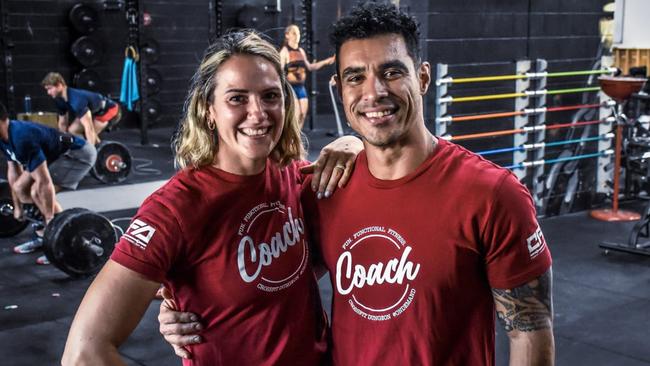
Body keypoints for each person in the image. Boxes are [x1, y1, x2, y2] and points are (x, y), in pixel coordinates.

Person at [159, 3, 555, 366]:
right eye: (355, 77)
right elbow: (277, 280)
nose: (373, 92)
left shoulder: (491, 194)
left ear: (422, 77)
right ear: (340, 88)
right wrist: (190, 310)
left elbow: (529, 328)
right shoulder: (328, 188)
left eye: (392, 71)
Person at [62, 30, 362, 365]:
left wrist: (353, 144)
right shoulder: (174, 209)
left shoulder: (292, 174)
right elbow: (84, 354)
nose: (259, 113)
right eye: (237, 98)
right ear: (208, 110)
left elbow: (289, 274)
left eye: (270, 96)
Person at [0, 102, 96, 264]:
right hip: (55, 155)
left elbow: (44, 182)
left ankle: (62, 243)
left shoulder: (21, 137)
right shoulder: (3, 138)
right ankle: (42, 235)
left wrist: (51, 219)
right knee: (19, 188)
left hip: (78, 154)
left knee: (36, 192)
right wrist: (17, 206)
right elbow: (13, 171)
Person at [279, 24, 335, 129]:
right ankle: (290, 140)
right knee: (295, 115)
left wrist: (327, 61)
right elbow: (279, 71)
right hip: (290, 88)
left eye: (298, 33)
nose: (297, 35)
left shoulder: (301, 51)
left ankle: (297, 139)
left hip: (301, 87)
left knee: (302, 115)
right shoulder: (284, 52)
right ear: (287, 35)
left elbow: (310, 67)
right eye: (294, 33)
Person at [42, 72, 120, 145]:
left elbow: (89, 128)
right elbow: (62, 124)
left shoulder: (76, 99)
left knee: (90, 134)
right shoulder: (59, 100)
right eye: (47, 89)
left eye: (50, 88)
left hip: (110, 110)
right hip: (94, 111)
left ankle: (95, 154)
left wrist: (90, 155)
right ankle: (89, 150)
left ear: (59, 85)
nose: (48, 92)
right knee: (72, 131)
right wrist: (62, 146)